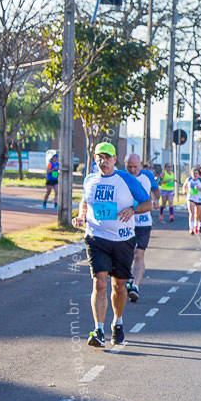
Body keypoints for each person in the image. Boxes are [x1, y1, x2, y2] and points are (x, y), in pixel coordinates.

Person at [71, 142, 152, 347]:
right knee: (99, 282)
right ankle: (98, 329)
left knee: (119, 286)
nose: (103, 161)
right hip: (96, 238)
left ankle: (118, 322)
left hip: (122, 240)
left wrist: (133, 210)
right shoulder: (90, 179)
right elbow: (85, 202)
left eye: (107, 158)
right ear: (95, 159)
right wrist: (81, 216)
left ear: (115, 160)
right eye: (99, 157)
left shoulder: (126, 179)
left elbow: (148, 203)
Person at [124, 154, 158, 303]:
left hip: (143, 223)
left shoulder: (147, 176)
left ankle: (135, 287)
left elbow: (156, 192)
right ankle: (127, 279)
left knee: (139, 254)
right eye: (129, 167)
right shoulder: (120, 177)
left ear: (140, 165)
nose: (132, 170)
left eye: (135, 167)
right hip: (124, 222)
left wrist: (156, 200)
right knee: (127, 255)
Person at [184, 167, 201, 234]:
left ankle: (196, 226)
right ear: (191, 173)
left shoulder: (200, 180)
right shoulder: (189, 179)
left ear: (198, 174)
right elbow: (184, 186)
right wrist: (184, 191)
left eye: (196, 173)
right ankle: (191, 228)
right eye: (193, 173)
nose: (195, 175)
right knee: (191, 213)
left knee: (197, 214)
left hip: (199, 198)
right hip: (191, 197)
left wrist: (200, 188)